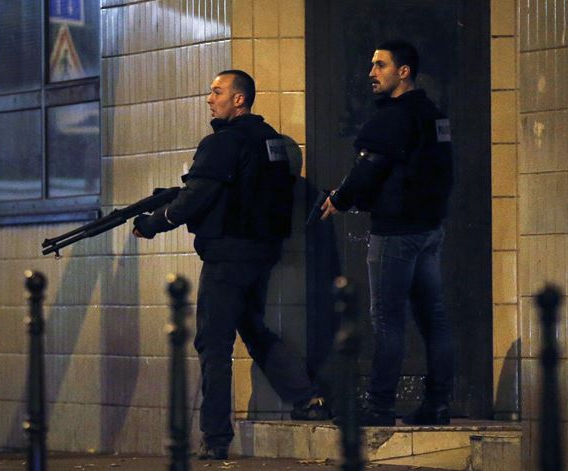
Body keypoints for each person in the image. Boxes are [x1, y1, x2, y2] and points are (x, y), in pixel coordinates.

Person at [133, 70, 328, 459]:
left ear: (239, 99)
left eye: (217, 91)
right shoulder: (272, 141)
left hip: (228, 256)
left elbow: (197, 197)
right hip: (261, 253)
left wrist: (154, 224)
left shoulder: (223, 142)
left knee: (214, 343)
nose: (210, 98)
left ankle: (216, 439)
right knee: (253, 329)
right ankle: (308, 398)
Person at [321, 40, 454, 426]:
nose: (371, 73)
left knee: (387, 319)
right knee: (434, 318)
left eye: (380, 65)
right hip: (430, 230)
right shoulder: (433, 115)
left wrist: (340, 199)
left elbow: (369, 167)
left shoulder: (395, 116)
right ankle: (438, 404)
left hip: (396, 231)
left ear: (404, 71)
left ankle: (379, 406)